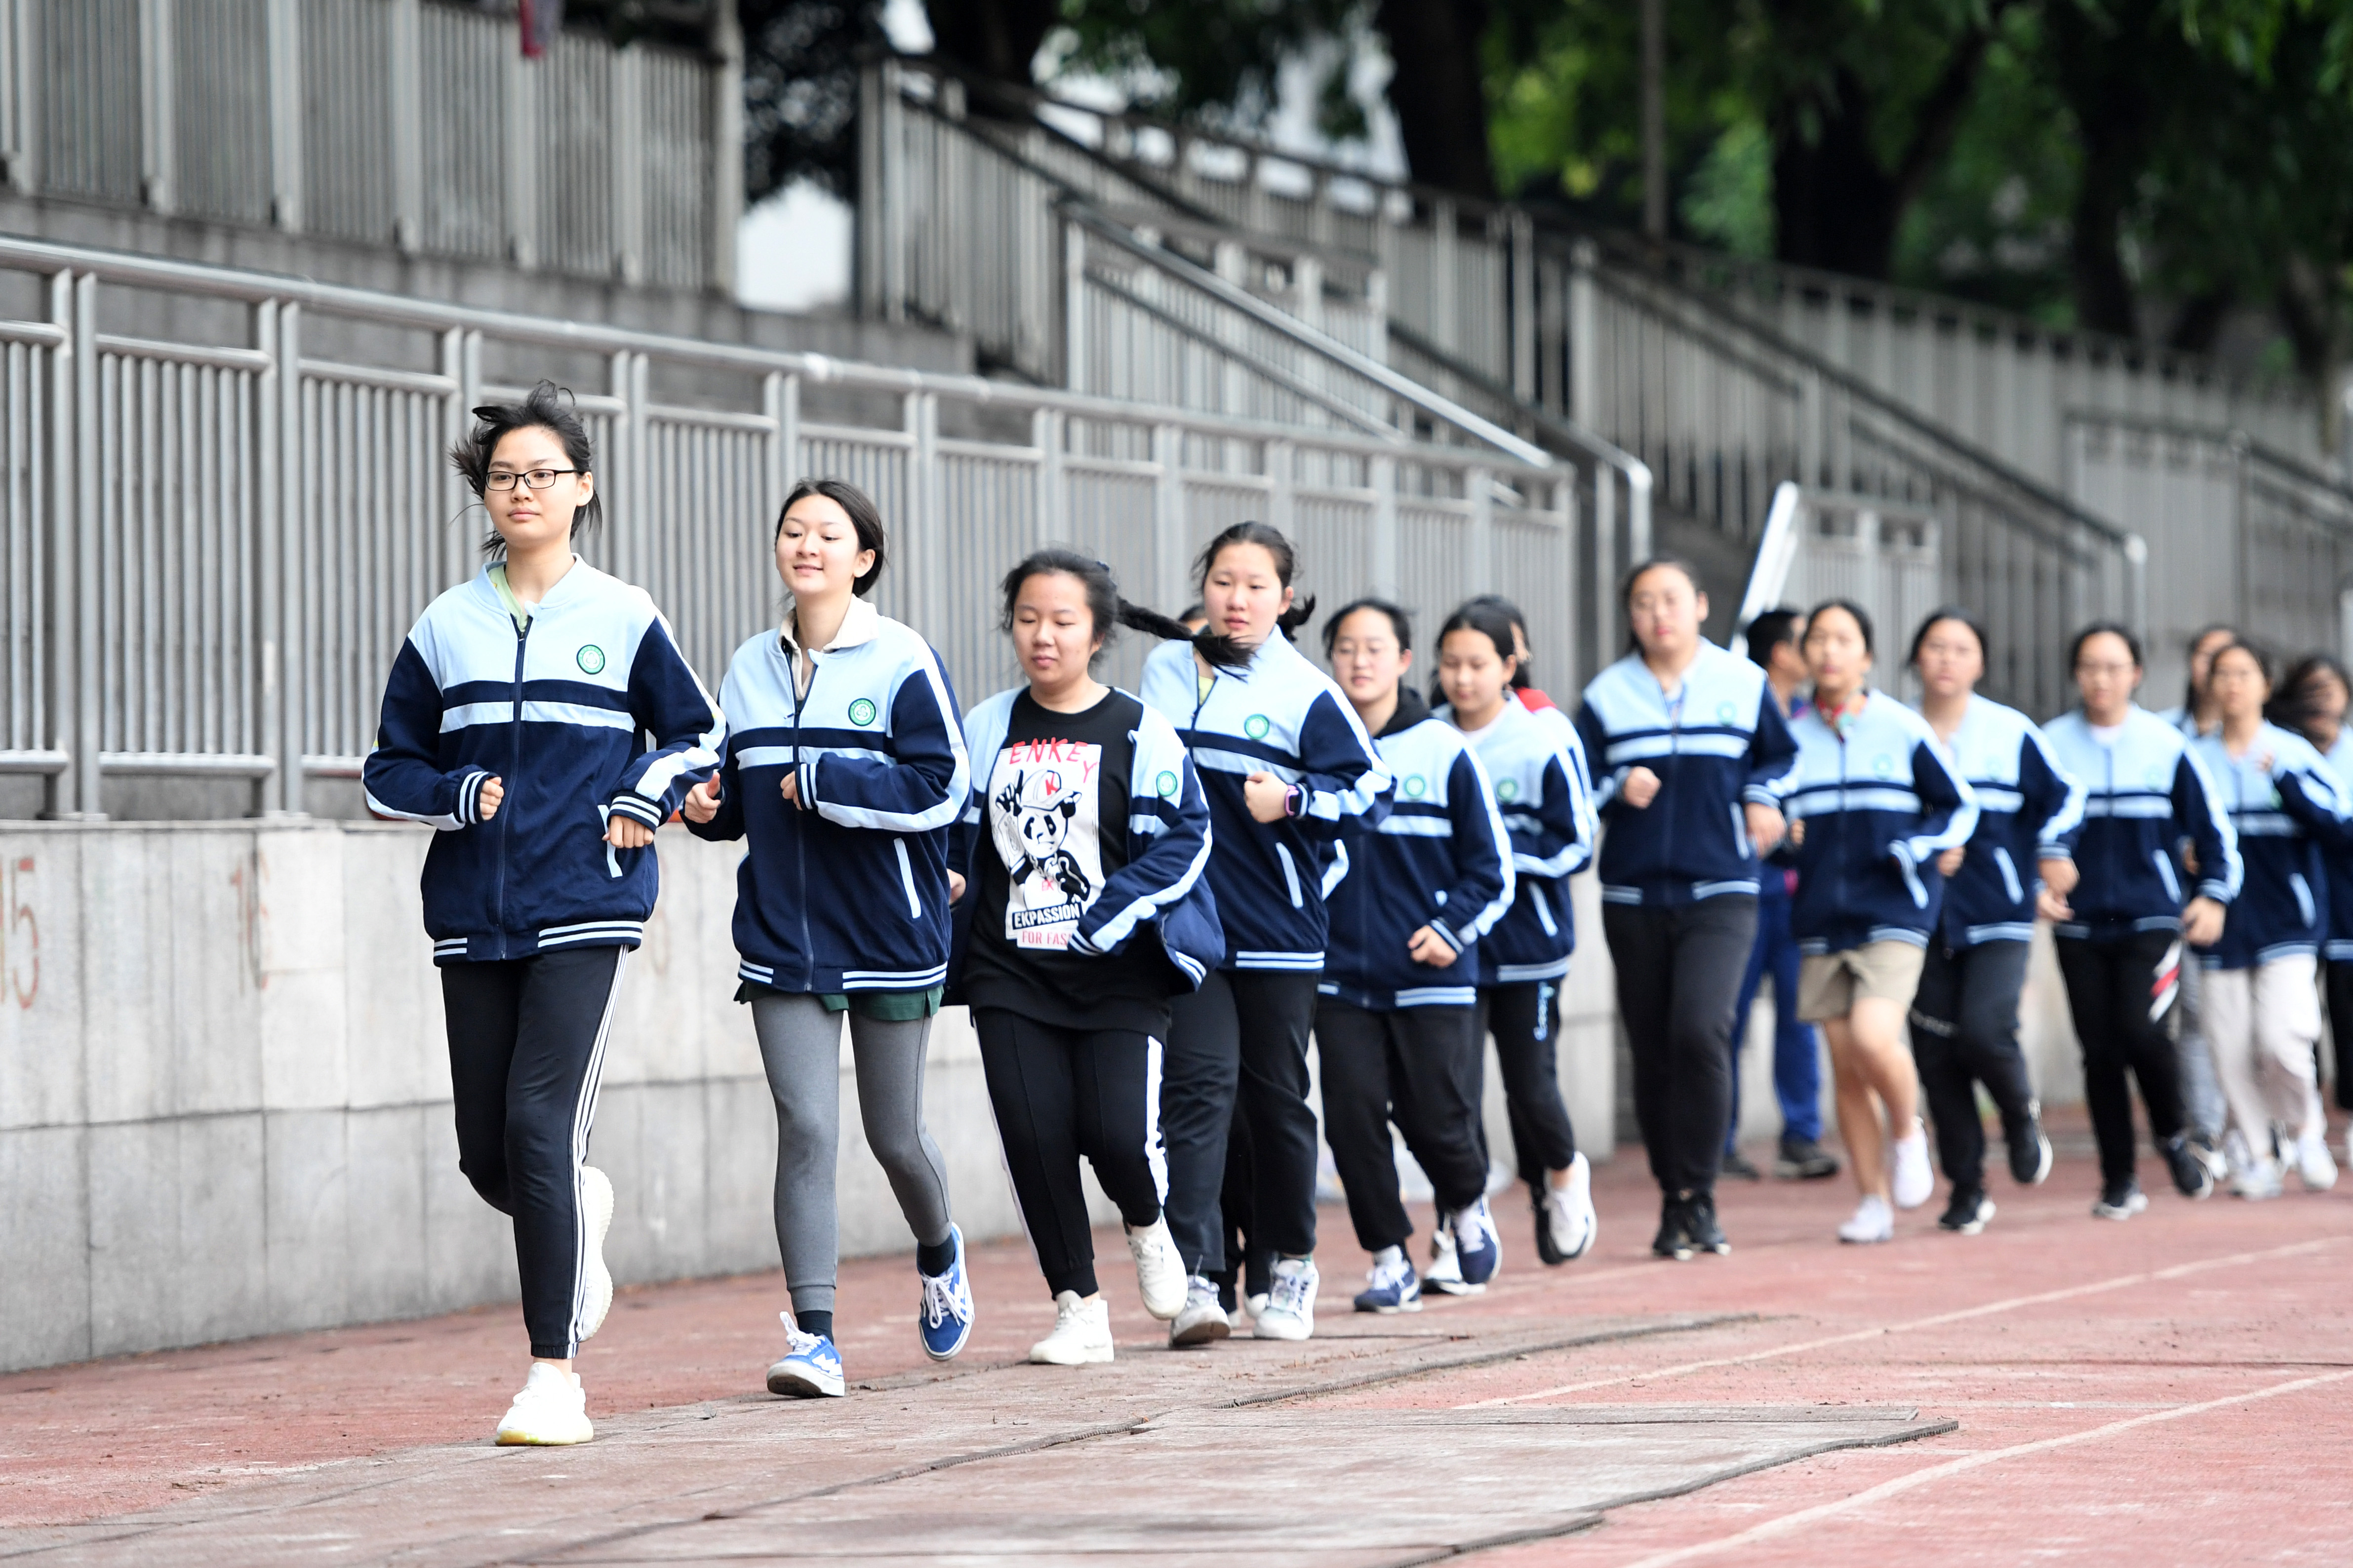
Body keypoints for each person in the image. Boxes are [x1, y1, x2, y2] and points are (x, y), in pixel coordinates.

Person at [362, 382, 724, 1446]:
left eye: (545, 474)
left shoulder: (624, 614)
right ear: (486, 492)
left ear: (583, 489)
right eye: (506, 475)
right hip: (473, 910)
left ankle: (552, 1377)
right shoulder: (445, 624)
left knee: (538, 1124)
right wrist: (452, 793)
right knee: (490, 1154)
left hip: (585, 902)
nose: (524, 490)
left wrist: (641, 793)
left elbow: (698, 738)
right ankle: (579, 1210)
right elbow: (389, 766)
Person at [680, 478, 973, 1399]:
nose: (807, 545)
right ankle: (816, 1337)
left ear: (864, 558)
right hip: (783, 936)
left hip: (889, 931)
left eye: (828, 534)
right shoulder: (747, 666)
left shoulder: (901, 659)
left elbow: (943, 787)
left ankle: (939, 1250)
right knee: (805, 1126)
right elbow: (737, 799)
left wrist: (830, 779)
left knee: (895, 1135)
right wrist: (707, 807)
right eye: (794, 530)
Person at [947, 551, 1221, 1364]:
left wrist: (1110, 916)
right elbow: (951, 826)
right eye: (1029, 618)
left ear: (1097, 633)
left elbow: (1187, 835)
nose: (1044, 636)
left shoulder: (1140, 728)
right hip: (1010, 969)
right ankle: (1079, 1306)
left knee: (1116, 1135)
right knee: (1035, 1137)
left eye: (1063, 621)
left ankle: (1148, 1226)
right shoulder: (988, 723)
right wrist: (948, 878)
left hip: (1118, 971)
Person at [1137, 522, 1393, 1343]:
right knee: (1196, 1096)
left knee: (1276, 1098)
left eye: (1255, 585)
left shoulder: (1306, 692)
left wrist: (1292, 800)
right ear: (1203, 587)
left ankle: (1288, 1262)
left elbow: (1371, 793)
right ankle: (1202, 1273)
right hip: (1191, 926)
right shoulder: (1164, 668)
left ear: (1287, 599)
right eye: (1222, 581)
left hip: (1281, 929)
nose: (1236, 599)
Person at [1574, 559, 1798, 1261]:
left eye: (1670, 599)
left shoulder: (1744, 683)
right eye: (1642, 603)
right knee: (1653, 1050)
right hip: (1634, 895)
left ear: (1700, 605)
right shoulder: (1607, 695)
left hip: (1722, 891)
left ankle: (1700, 1194)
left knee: (1701, 1030)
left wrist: (1764, 797)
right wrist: (1616, 786)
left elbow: (1785, 760)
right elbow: (1576, 787)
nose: (1657, 614)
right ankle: (1674, 1197)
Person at [1317, 600, 1516, 1312]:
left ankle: (1465, 1205)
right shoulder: (1312, 752)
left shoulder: (1445, 750)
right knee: (1352, 1119)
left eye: (1375, 648)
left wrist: (1451, 929)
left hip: (1431, 973)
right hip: (1338, 976)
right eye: (1345, 649)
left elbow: (1491, 869)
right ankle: (1388, 1258)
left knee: (1436, 1115)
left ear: (1405, 662)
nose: (1359, 661)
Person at [1781, 600, 1978, 1244]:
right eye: (1817, 639)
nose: (1829, 651)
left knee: (1872, 1038)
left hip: (1894, 910)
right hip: (1819, 919)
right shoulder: (1789, 734)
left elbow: (1958, 808)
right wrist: (1786, 834)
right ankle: (1871, 1201)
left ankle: (1906, 1130)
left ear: (1865, 657)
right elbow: (1762, 813)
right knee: (1844, 1066)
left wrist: (1912, 849)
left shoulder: (1901, 727)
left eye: (1843, 640)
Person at [2041, 623, 2239, 1219]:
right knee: (2098, 1052)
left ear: (2135, 673)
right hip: (2078, 925)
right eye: (2088, 666)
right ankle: (2119, 1179)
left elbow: (2214, 832)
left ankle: (2173, 1135)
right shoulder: (2050, 743)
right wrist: (2034, 885)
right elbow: (2023, 829)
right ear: (2075, 673)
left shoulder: (2165, 745)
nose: (2100, 678)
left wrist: (2213, 895)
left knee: (2145, 1033)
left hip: (2151, 918)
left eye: (2113, 666)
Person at [1434, 598, 1600, 1270]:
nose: (1463, 679)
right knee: (1452, 1092)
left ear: (1510, 664)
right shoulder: (1427, 737)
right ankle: (1460, 1227)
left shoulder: (1543, 738)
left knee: (1530, 1088)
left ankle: (1562, 1175)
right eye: (1450, 664)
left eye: (1478, 664)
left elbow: (1577, 842)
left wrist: (1497, 862)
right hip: (1447, 947)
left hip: (1528, 948)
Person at [1905, 608, 2083, 1234]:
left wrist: (2052, 853)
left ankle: (2018, 1114)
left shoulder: (2010, 732)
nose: (1947, 659)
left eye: (1961, 648)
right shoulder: (1896, 732)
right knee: (1936, 1052)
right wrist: (1925, 845)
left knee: (1983, 1029)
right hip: (1919, 918)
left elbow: (2064, 796)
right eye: (1935, 647)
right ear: (1916, 658)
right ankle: (1966, 1185)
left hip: (1999, 911)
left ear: (1979, 662)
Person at [2188, 639, 2345, 1197]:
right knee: (2228, 1046)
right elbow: (2171, 831)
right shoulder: (2194, 758)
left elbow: (2339, 828)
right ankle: (2258, 1152)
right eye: (2222, 673)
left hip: (2287, 919)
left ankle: (2305, 1131)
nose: (2232, 683)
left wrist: (2287, 786)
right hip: (2220, 922)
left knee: (2282, 1039)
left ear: (2263, 684)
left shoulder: (2294, 753)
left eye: (2244, 672)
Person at [1726, 608, 1838, 1182]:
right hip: (1741, 890)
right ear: (1778, 652)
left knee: (1802, 1016)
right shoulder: (1737, 706)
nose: (1823, 651)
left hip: (1802, 897)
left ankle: (1801, 1135)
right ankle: (1718, 1139)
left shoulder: (1818, 714)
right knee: (1728, 1018)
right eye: (1809, 640)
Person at [2157, 624, 2240, 1147]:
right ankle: (2207, 1127)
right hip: (2181, 894)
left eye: (2229, 662)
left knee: (2248, 1015)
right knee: (2193, 1010)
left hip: (2251, 897)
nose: (2217, 672)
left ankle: (2255, 1123)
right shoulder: (2163, 735)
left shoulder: (2266, 742)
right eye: (2206, 658)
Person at [2272, 652, 2353, 1167]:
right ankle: (2301, 1125)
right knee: (2291, 1025)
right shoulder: (2278, 755)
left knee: (2346, 1018)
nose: (2320, 700)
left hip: (2346, 911)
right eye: (2309, 690)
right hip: (2290, 908)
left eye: (2329, 688)